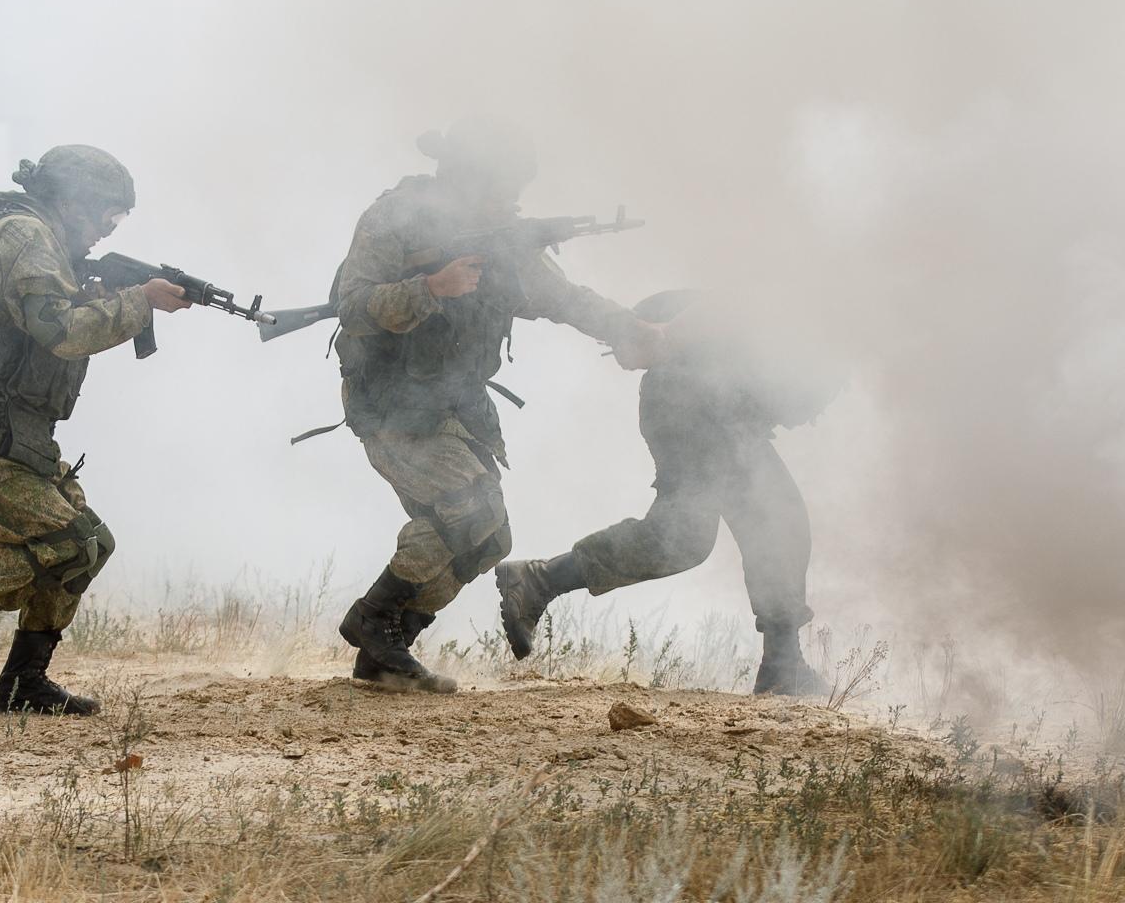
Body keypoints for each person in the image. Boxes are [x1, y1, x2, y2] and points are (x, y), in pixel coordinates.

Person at [330, 118, 662, 693]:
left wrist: (630, 328)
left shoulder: (501, 237)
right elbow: (352, 307)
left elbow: (563, 298)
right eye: (500, 185)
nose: (510, 199)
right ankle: (372, 621)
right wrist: (431, 288)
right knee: (467, 509)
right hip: (391, 400)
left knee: (490, 539)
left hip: (457, 403)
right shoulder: (395, 218)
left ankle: (387, 650)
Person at [0, 145, 189, 715]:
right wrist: (139, 302)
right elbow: (60, 332)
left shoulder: (34, 238)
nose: (109, 227)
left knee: (89, 545)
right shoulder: (26, 237)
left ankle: (25, 684)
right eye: (105, 211)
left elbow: (36, 327)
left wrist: (106, 297)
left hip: (5, 427)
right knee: (68, 541)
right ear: (71, 200)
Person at [495, 290, 832, 696]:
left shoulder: (825, 311)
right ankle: (783, 666)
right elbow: (732, 297)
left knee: (685, 536)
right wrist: (668, 337)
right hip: (698, 401)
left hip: (697, 406)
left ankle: (540, 580)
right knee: (774, 519)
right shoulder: (811, 296)